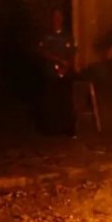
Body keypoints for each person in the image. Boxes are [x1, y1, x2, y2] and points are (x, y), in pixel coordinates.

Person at [36, 8, 78, 136]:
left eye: (59, 17)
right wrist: (57, 61)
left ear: (62, 19)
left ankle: (68, 129)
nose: (57, 19)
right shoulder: (47, 36)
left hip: (66, 73)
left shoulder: (67, 36)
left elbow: (72, 52)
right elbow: (42, 52)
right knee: (51, 100)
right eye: (55, 17)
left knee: (66, 101)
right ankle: (51, 129)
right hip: (51, 73)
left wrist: (66, 66)